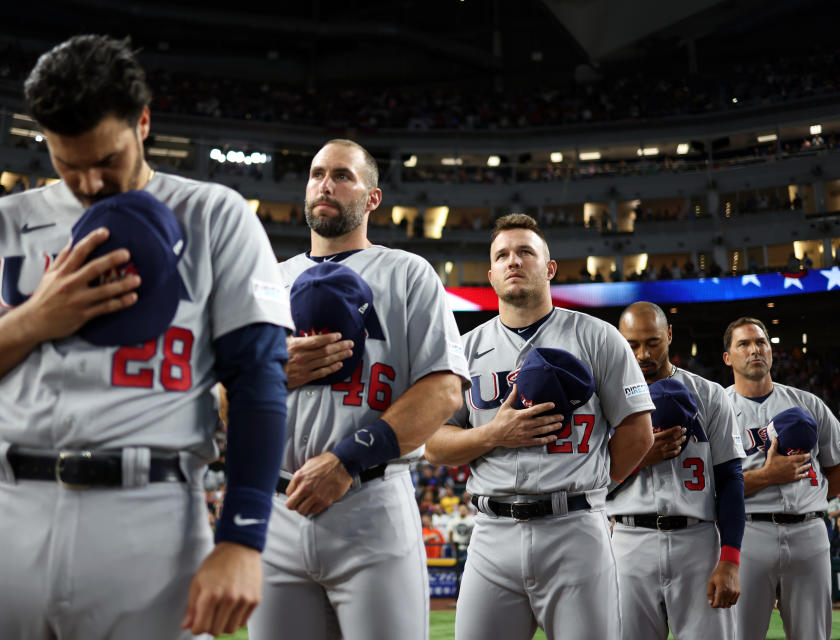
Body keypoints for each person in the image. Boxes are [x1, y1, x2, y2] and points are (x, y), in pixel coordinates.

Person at [0, 35, 292, 639]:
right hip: (7, 508)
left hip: (150, 514)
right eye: (67, 163)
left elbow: (258, 382)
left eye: (106, 160)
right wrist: (37, 319)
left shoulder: (215, 214)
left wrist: (244, 539)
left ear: (143, 123)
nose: (88, 182)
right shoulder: (2, 222)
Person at [247, 139, 468, 640]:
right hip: (277, 506)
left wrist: (347, 459)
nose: (326, 183)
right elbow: (224, 402)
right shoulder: (266, 283)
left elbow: (444, 392)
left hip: (370, 503)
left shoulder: (408, 273)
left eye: (342, 175)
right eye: (317, 173)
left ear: (372, 198)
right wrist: (266, 376)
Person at [424, 213, 655, 640]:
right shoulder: (464, 349)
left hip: (574, 526)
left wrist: (600, 487)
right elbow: (434, 445)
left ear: (549, 268)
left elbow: (638, 432)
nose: (514, 261)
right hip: (492, 532)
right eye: (503, 255)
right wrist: (494, 433)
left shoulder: (598, 336)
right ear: (490, 275)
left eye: (526, 252)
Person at [608, 302, 745, 639]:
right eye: (632, 344)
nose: (642, 354)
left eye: (652, 342)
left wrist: (730, 558)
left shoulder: (710, 394)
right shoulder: (604, 399)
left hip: (697, 542)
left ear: (669, 335)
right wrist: (639, 456)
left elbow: (730, 479)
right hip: (628, 541)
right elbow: (589, 483)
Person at [722, 317, 840, 640]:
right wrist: (767, 476)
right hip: (748, 532)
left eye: (761, 342)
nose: (754, 349)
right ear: (728, 357)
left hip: (809, 531)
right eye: (743, 344)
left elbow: (836, 466)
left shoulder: (809, 403)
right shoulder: (718, 409)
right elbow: (712, 490)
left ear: (771, 352)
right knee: (739, 634)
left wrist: (811, 496)